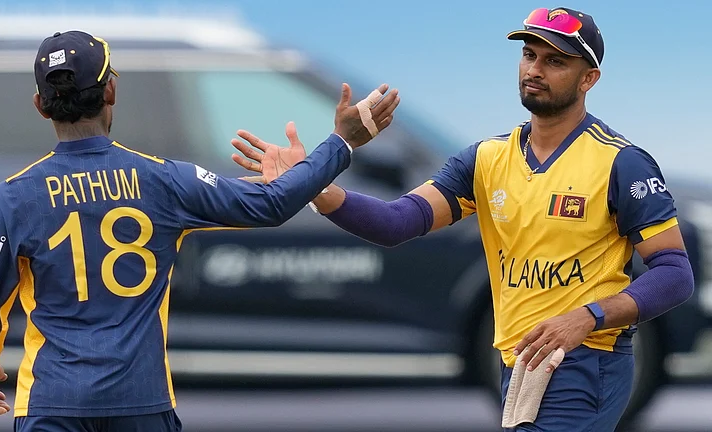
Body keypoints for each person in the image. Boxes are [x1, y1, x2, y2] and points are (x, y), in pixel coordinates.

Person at [230, 7, 695, 431]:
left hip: (585, 360)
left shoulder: (622, 162)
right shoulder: (487, 158)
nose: (534, 69)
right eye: (530, 55)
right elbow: (397, 223)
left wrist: (587, 317)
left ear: (589, 78)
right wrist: (312, 184)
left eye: (555, 61)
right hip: (518, 361)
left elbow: (675, 275)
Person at [0, 30, 399, 432]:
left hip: (52, 404)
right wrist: (341, 142)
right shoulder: (164, 181)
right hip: (142, 404)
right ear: (111, 89)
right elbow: (272, 204)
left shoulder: (13, 198)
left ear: (40, 105)